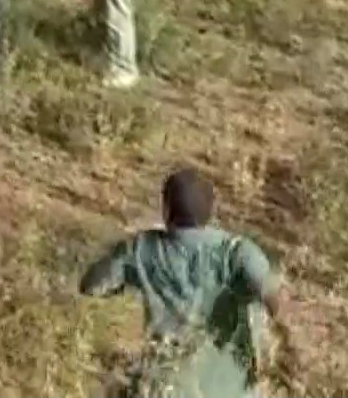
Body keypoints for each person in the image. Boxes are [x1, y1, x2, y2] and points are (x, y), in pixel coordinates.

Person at [80, 169, 301, 398]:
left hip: (166, 388)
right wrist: (286, 352)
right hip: (232, 390)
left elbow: (91, 286)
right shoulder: (236, 252)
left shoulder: (140, 249)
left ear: (166, 211)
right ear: (211, 210)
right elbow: (274, 299)